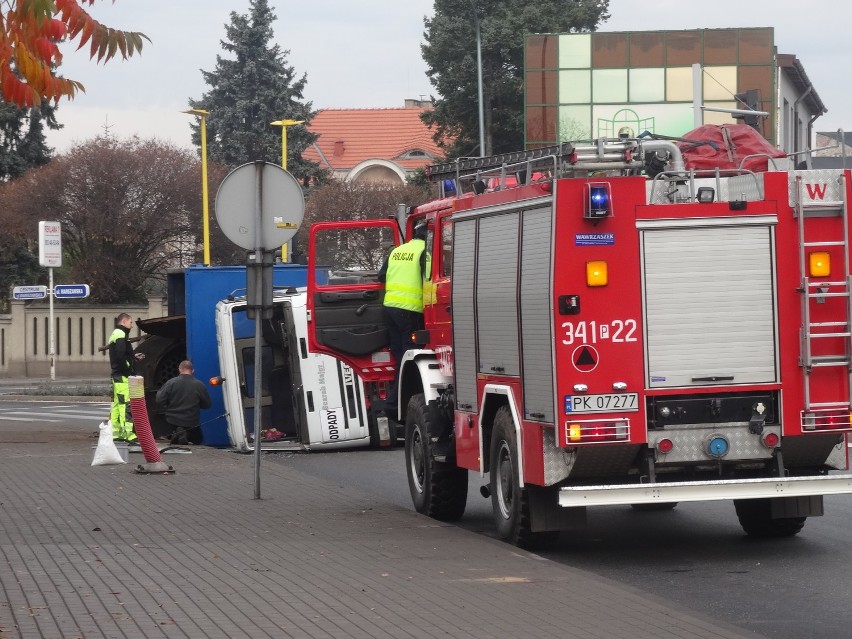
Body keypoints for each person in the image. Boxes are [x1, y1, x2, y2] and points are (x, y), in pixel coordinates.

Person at [377, 220, 428, 421]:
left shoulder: (397, 251)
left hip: (390, 309)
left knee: (400, 360)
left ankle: (394, 404)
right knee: (410, 362)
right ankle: (396, 406)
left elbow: (382, 277)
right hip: (410, 312)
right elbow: (432, 280)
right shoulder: (426, 252)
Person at [155, 360, 212, 445]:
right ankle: (183, 434)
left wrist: (167, 407)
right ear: (192, 370)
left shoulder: (171, 383)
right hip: (192, 421)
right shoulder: (199, 385)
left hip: (173, 421)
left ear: (179, 369)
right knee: (198, 440)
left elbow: (159, 400)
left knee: (174, 434)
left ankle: (179, 432)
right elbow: (207, 404)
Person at [108, 313, 143, 442]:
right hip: (122, 376)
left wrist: (133, 357)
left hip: (117, 375)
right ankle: (128, 434)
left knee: (117, 404)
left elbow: (121, 354)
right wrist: (129, 369)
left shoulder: (116, 334)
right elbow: (121, 356)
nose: (132, 325)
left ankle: (116, 433)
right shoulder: (121, 335)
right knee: (126, 404)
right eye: (130, 322)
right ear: (123, 322)